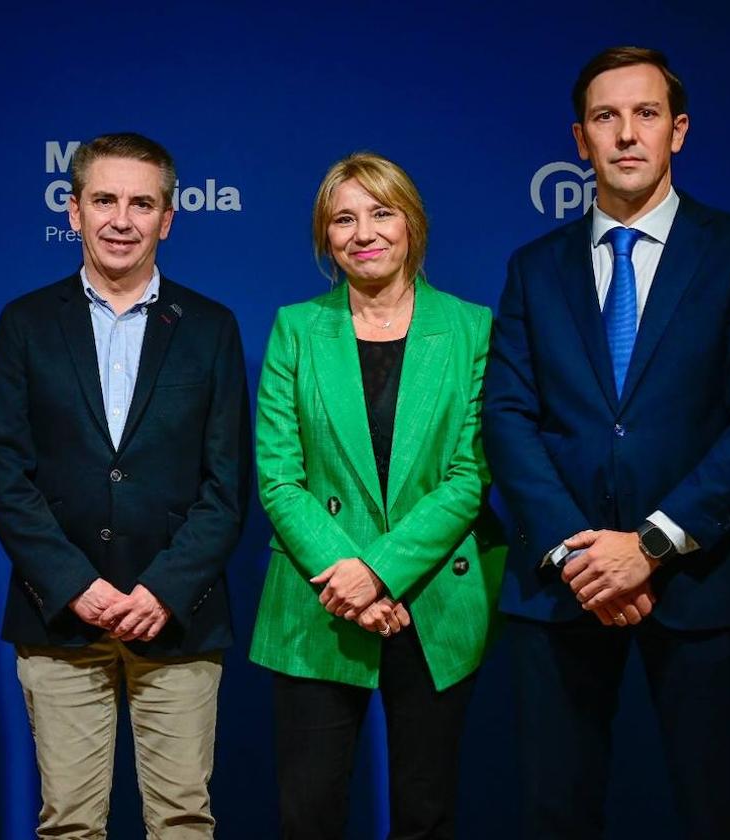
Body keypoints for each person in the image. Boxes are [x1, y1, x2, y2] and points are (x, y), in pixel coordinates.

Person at [484, 46, 730, 839]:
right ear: (579, 139)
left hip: (701, 581)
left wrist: (651, 543)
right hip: (561, 585)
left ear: (678, 131)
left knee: (719, 806)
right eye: (605, 117)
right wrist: (579, 555)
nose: (626, 134)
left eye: (646, 114)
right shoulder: (532, 267)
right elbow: (508, 418)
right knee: (556, 811)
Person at [0, 132, 251, 838]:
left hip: (177, 619)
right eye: (103, 200)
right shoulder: (26, 323)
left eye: (142, 203)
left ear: (168, 218)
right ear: (73, 211)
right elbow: (6, 475)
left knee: (182, 822)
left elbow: (227, 485)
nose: (121, 219)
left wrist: (163, 589)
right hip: (61, 619)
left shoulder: (212, 328)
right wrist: (75, 584)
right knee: (69, 825)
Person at [249, 151, 504, 840]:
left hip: (434, 601)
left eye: (382, 212)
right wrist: (349, 578)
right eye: (344, 218)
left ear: (411, 223)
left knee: (426, 814)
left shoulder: (473, 329)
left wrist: (381, 572)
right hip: (318, 600)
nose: (364, 232)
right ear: (325, 238)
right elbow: (278, 475)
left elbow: (469, 474)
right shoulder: (295, 329)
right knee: (309, 814)